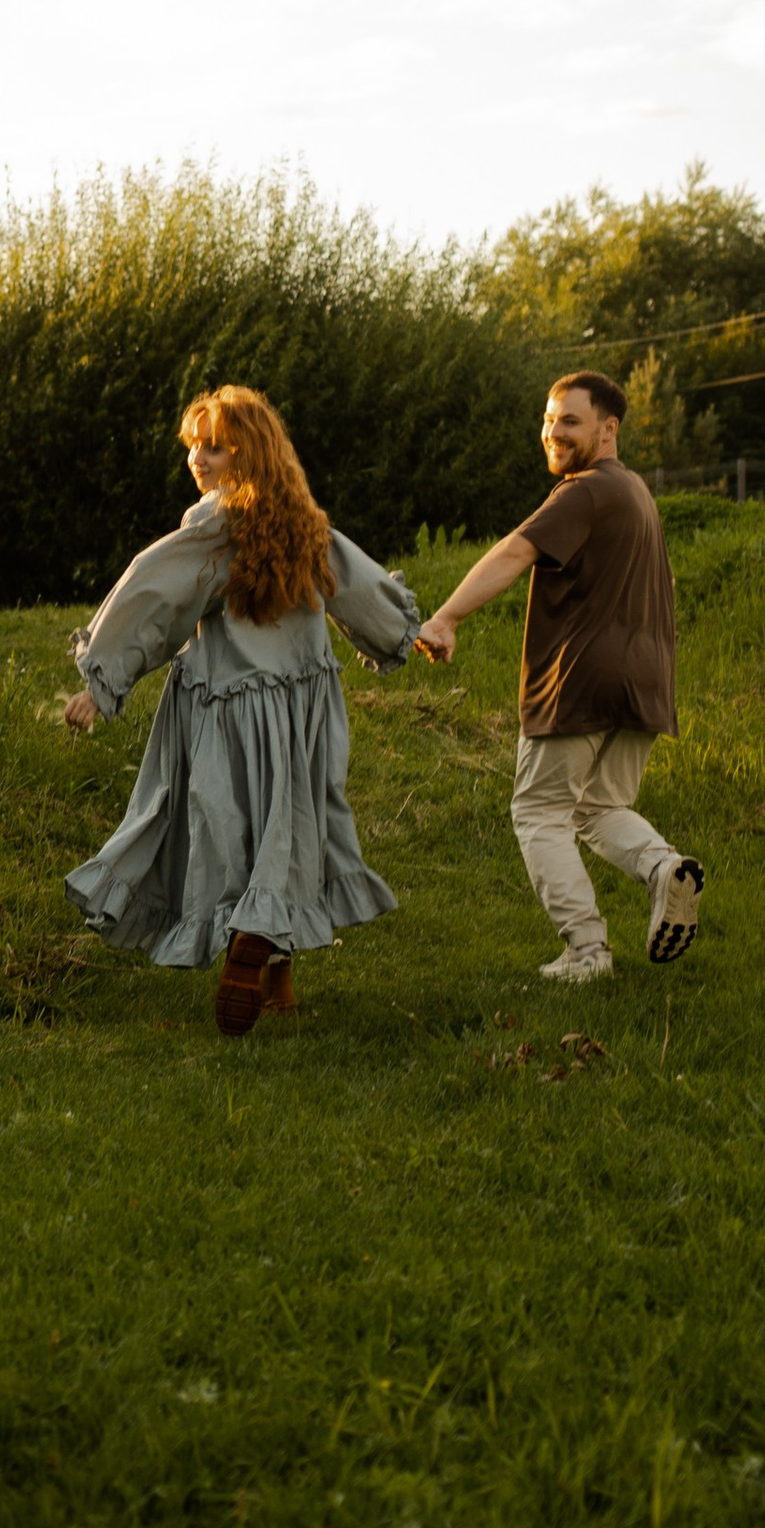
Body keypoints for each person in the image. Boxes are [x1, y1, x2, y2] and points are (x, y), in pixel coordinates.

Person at [59, 385, 422, 1036]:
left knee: (225, 833)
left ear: (248, 455)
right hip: (303, 711)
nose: (199, 458)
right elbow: (362, 591)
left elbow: (150, 593)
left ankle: (247, 937)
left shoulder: (212, 527)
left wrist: (103, 680)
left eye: (215, 448)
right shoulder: (309, 525)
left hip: (226, 709)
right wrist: (402, 633)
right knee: (285, 833)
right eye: (194, 446)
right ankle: (273, 968)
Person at [413, 367, 704, 986]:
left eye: (570, 420)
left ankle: (586, 951)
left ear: (608, 427)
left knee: (540, 811)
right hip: (645, 683)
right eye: (548, 421)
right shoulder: (635, 493)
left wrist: (446, 617)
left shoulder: (586, 491)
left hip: (580, 677)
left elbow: (515, 552)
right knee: (599, 806)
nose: (554, 432)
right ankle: (663, 869)